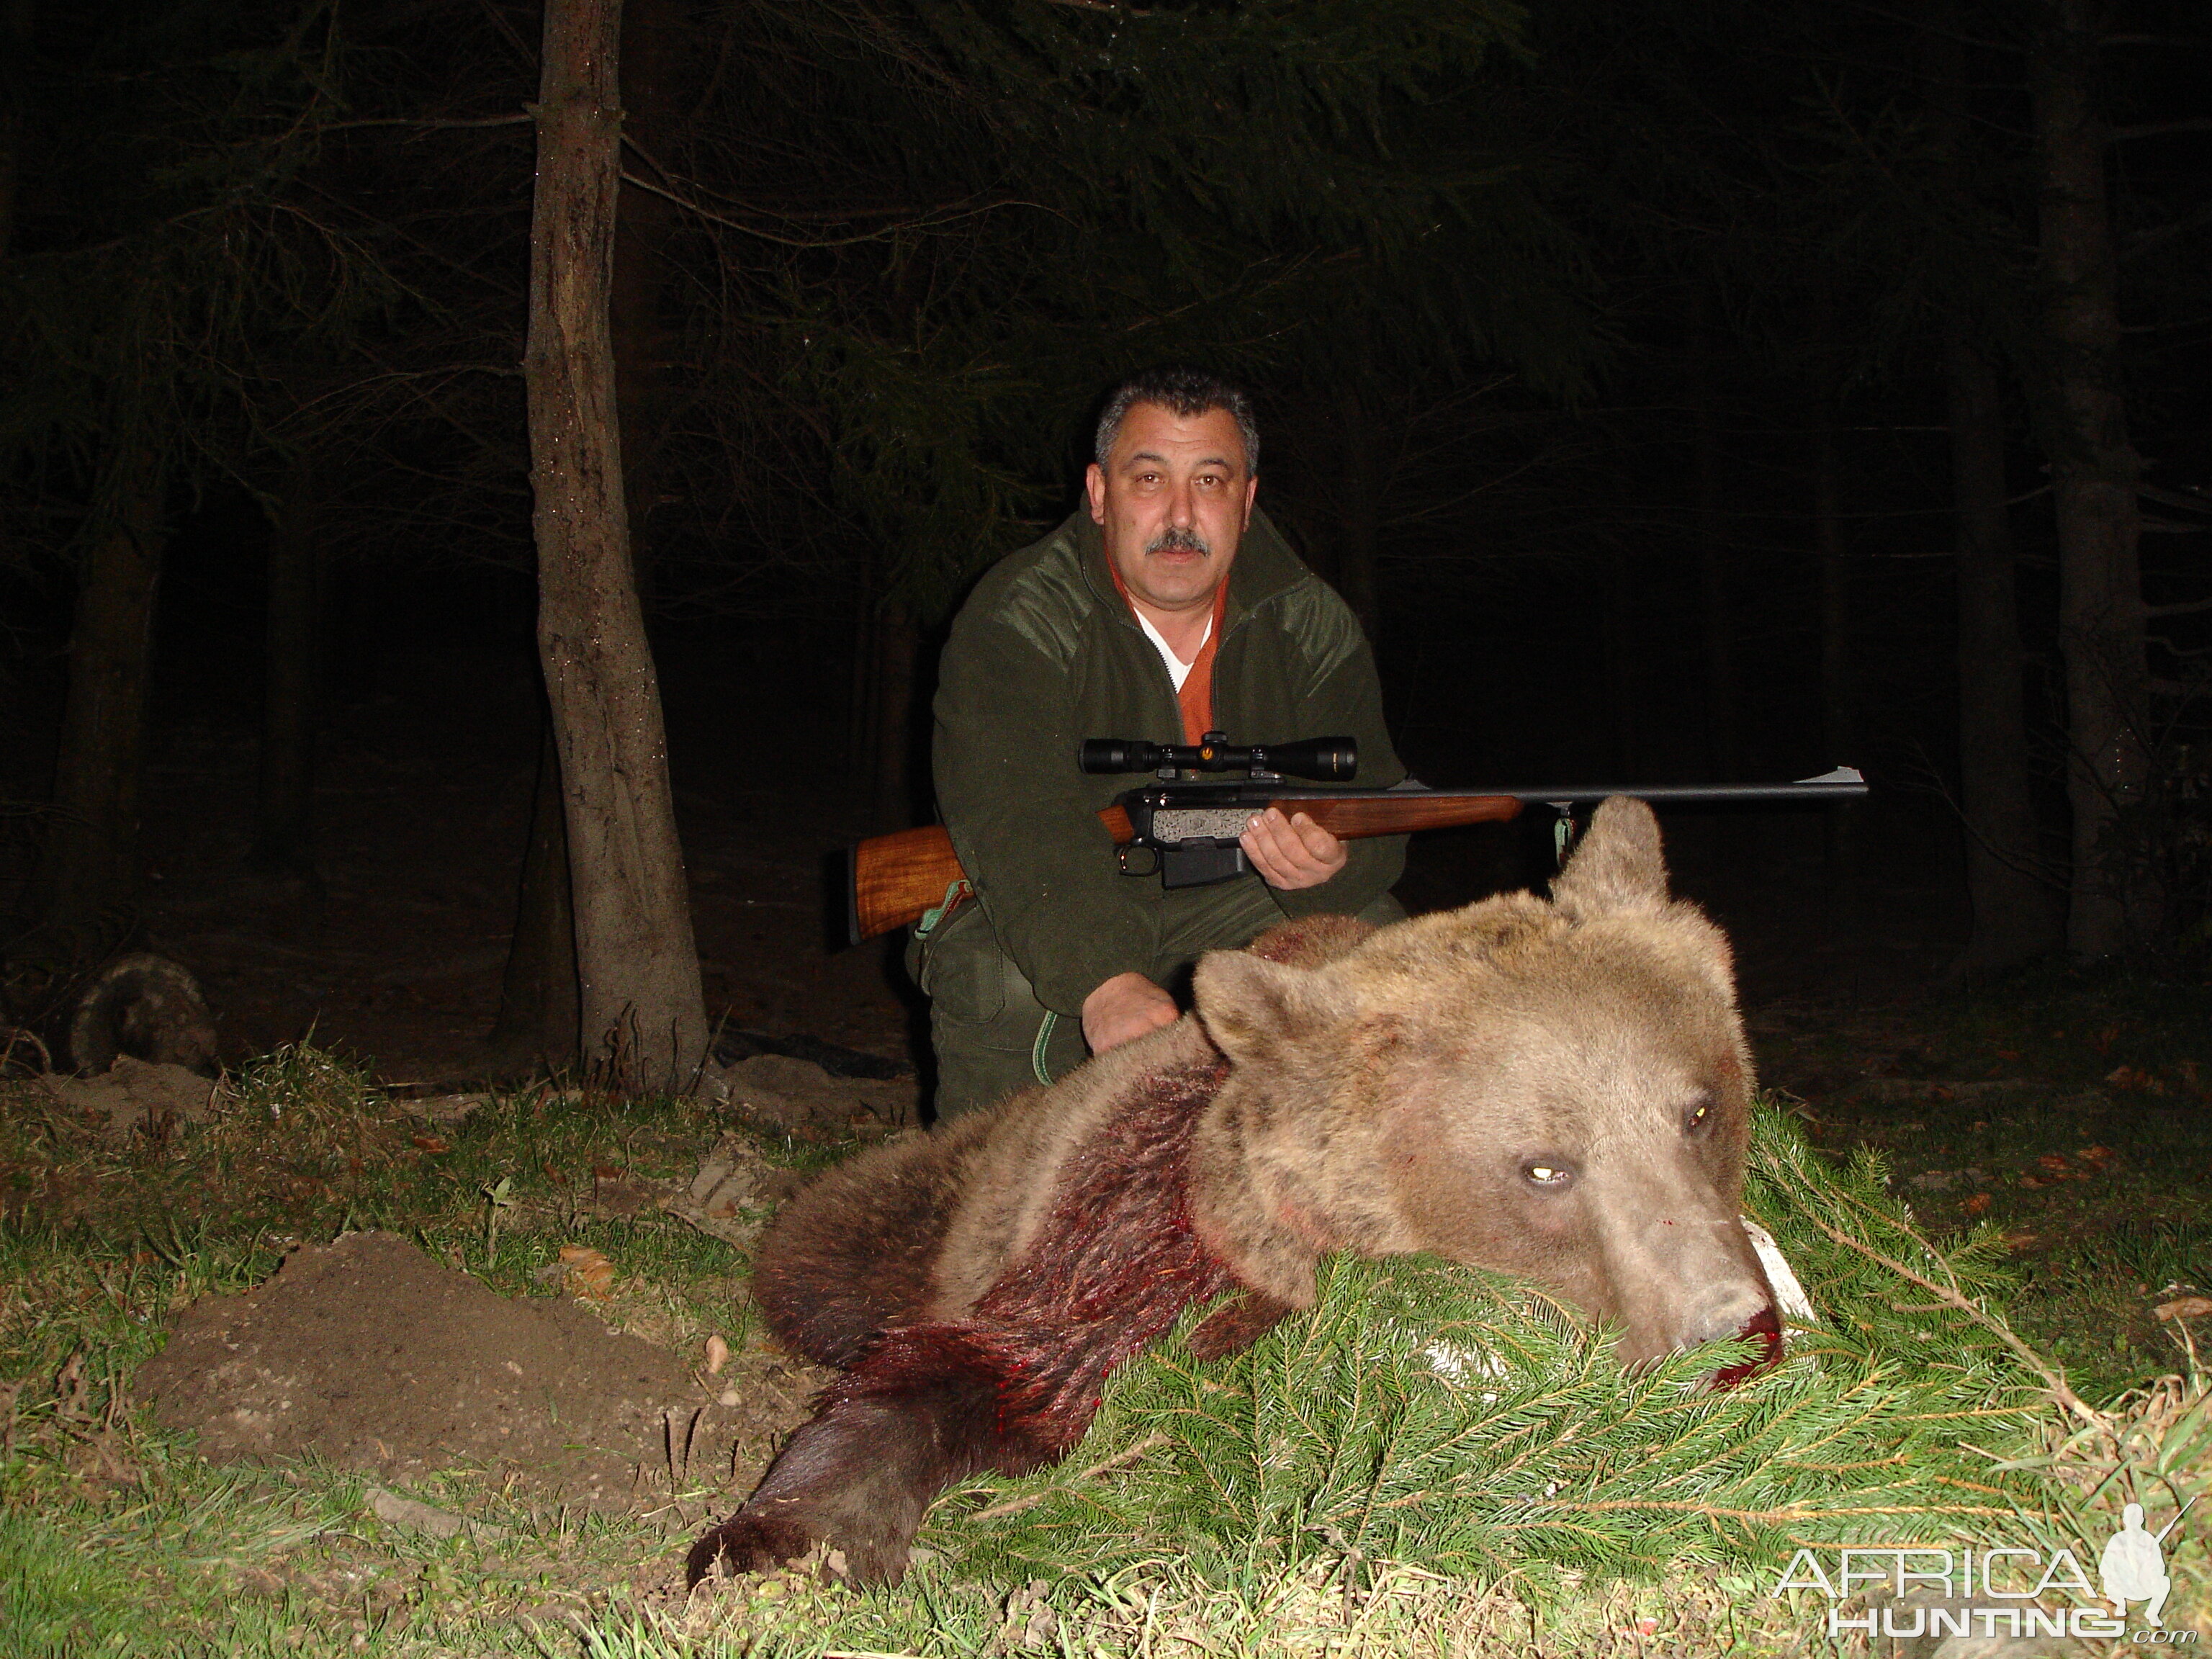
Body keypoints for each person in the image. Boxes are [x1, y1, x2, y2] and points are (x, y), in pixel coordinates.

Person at [912, 367, 1408, 1120]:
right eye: (1150, 479)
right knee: (1002, 984)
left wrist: (1334, 866)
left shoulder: (1310, 623)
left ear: (1246, 500)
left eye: (1210, 481)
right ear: (1100, 493)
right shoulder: (1018, 618)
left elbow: (1377, 797)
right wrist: (1103, 980)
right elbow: (1018, 819)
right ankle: (981, 1197)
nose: (1180, 515)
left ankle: (1339, 1196)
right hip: (1055, 888)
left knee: (1377, 951)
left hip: (1237, 896)